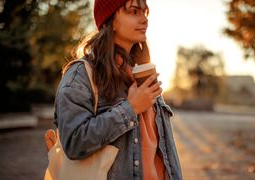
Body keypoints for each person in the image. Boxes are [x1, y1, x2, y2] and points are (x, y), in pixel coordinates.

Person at [50, 0, 182, 179]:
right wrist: (131, 109)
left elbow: (165, 149)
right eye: (134, 12)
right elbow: (74, 142)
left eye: (145, 13)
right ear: (110, 20)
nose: (144, 20)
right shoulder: (81, 75)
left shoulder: (143, 71)